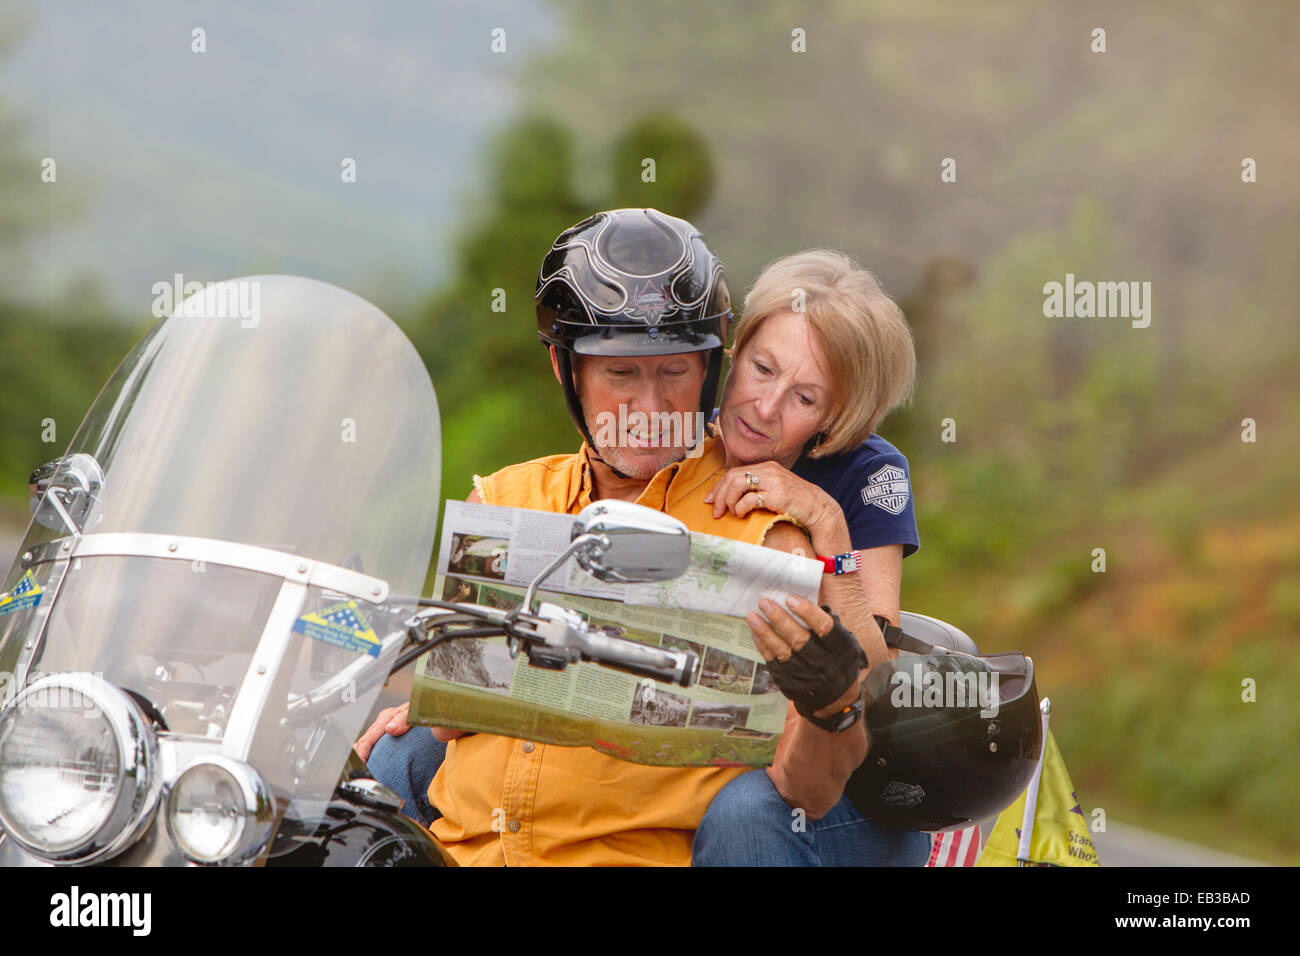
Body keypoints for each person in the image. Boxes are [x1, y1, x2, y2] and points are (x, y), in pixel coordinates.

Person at [358, 208, 885, 866]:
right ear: (564, 368)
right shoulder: (501, 497)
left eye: (674, 373)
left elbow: (806, 791)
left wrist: (829, 703)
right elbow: (449, 722)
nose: (651, 408)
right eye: (620, 374)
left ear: (710, 370)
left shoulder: (767, 535)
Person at [691, 249, 927, 866]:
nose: (765, 408)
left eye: (805, 398)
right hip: (708, 740)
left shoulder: (872, 472)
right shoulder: (684, 432)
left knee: (743, 811)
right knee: (410, 751)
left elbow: (878, 674)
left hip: (846, 783)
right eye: (762, 369)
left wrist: (826, 520)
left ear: (836, 416)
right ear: (735, 351)